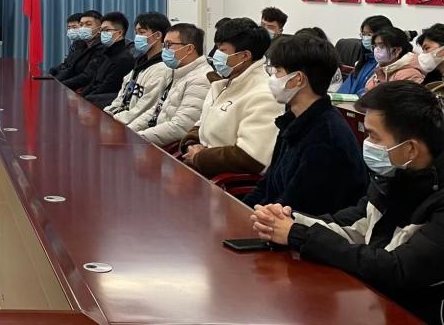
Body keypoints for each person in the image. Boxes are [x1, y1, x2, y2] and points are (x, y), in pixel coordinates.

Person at [251, 82, 444, 324]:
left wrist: (297, 234)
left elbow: (396, 269)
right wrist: (289, 220)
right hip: (372, 302)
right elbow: (351, 225)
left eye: (373, 136)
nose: (366, 143)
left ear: (410, 149)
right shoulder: (393, 178)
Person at [242, 35, 367, 215]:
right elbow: (267, 185)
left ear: (298, 79)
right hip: (275, 217)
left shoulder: (325, 138)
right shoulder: (293, 120)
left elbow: (294, 206)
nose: (272, 78)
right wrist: (241, 211)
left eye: (278, 71)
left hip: (301, 225)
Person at [180, 18, 281, 177]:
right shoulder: (224, 83)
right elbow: (203, 123)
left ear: (245, 56)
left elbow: (252, 157)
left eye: (222, 50)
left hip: (223, 182)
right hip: (200, 169)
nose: (215, 55)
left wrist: (201, 157)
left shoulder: (264, 94)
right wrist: (191, 144)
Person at [130, 23, 212, 147]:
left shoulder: (201, 79)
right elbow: (156, 110)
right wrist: (129, 131)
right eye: (164, 45)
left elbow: (181, 127)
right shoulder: (174, 71)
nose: (164, 50)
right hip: (155, 138)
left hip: (171, 147)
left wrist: (139, 138)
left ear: (189, 49)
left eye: (169, 45)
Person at [104, 12, 172, 122]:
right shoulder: (140, 63)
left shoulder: (162, 68)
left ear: (158, 36)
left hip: (133, 124)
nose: (137, 37)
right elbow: (121, 96)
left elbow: (143, 109)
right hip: (120, 118)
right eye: (136, 33)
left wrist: (115, 119)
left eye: (142, 32)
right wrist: (107, 113)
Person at [79, 12, 136, 108]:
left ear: (120, 33)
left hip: (106, 103)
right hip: (93, 98)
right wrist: (80, 96)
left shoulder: (124, 59)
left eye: (106, 30)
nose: (102, 34)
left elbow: (106, 87)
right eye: (101, 30)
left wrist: (84, 99)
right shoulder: (105, 53)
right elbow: (94, 82)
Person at [338, 15, 393, 95]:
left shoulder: (388, 64)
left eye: (369, 35)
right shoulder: (365, 60)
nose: (365, 38)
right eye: (363, 34)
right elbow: (345, 89)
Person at [56, 10, 108, 90]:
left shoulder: (103, 47)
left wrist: (61, 85)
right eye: (81, 25)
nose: (83, 28)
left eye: (88, 24)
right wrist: (54, 80)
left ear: (99, 28)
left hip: (90, 90)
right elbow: (70, 69)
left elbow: (88, 76)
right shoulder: (80, 44)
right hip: (75, 86)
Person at [365, 27, 425, 92]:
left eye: (381, 46)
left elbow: (403, 98)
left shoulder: (409, 74)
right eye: (375, 46)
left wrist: (383, 84)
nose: (376, 49)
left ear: (397, 50)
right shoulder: (382, 69)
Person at [48, 12, 85, 77]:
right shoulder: (76, 44)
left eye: (74, 27)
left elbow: (74, 70)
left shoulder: (87, 45)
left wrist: (57, 78)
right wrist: (53, 70)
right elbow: (66, 64)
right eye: (69, 28)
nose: (71, 30)